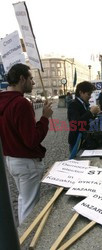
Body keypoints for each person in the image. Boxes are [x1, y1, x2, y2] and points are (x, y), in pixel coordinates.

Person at [0, 63, 53, 224]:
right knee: (30, 207)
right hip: (26, 162)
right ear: (22, 79)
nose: (33, 83)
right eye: (31, 79)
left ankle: (22, 235)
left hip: (11, 160)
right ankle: (26, 240)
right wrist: (44, 118)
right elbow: (31, 140)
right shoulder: (21, 103)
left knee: (24, 199)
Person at [67, 81, 100, 151]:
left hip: (85, 139)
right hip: (77, 141)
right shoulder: (73, 105)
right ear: (81, 92)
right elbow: (75, 123)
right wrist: (90, 112)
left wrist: (99, 114)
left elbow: (86, 119)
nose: (90, 96)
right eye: (88, 94)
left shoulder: (84, 103)